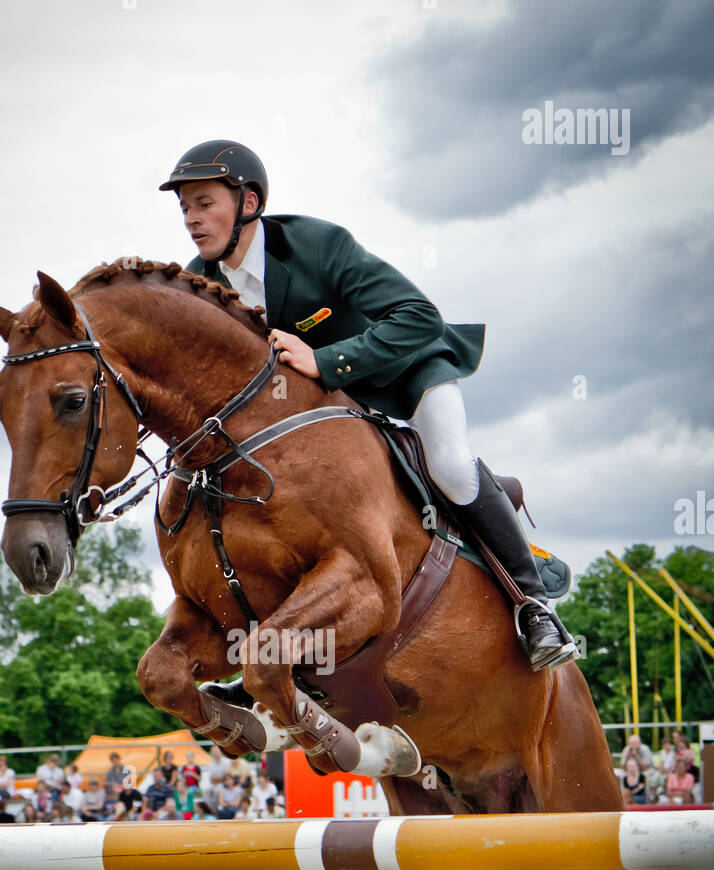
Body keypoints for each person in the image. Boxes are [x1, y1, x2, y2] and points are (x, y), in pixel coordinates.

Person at [160, 139, 578, 671]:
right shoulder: (200, 282)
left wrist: (326, 360)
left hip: (409, 374)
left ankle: (533, 606)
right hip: (329, 413)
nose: (192, 220)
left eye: (204, 203)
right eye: (185, 208)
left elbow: (419, 315)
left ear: (248, 203)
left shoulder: (316, 245)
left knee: (448, 465)